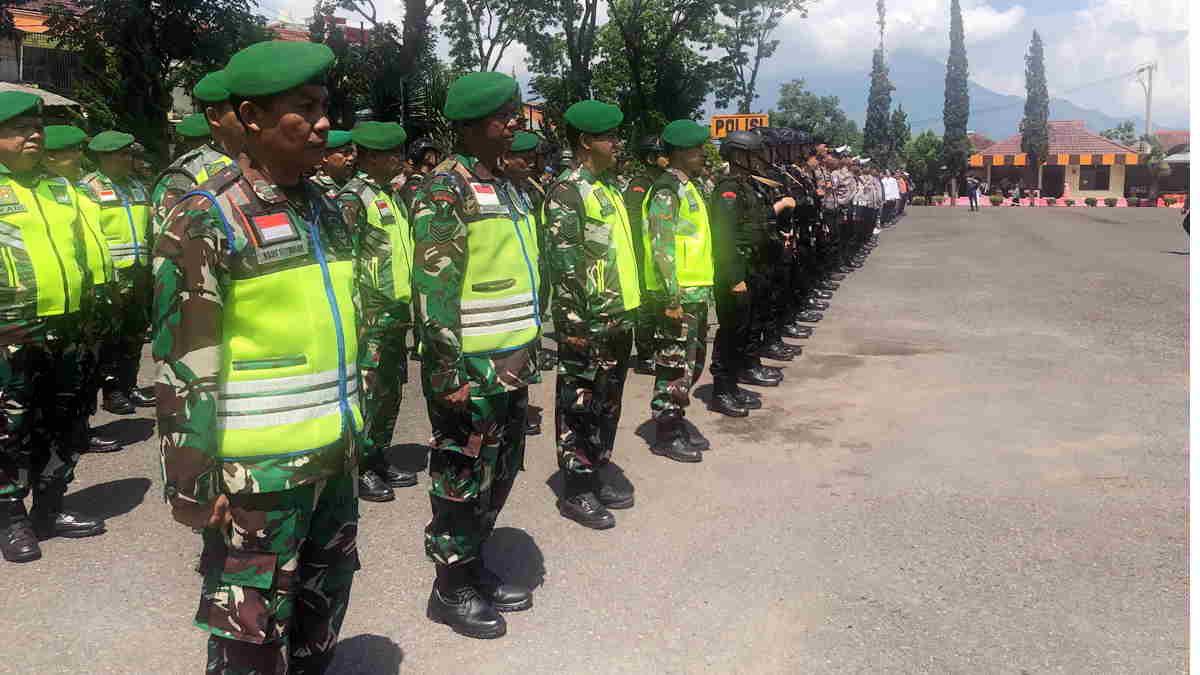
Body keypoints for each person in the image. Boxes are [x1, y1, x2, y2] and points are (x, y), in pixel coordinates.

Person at [154, 40, 367, 672]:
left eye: (324, 105)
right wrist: (191, 476)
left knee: (322, 606)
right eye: (305, 107)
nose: (324, 121)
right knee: (249, 624)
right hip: (257, 473)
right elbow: (184, 357)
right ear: (252, 117)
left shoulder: (329, 208)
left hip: (334, 453)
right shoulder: (206, 214)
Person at [411, 71, 537, 639]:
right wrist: (446, 369)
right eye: (502, 116)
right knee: (462, 474)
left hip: (510, 361)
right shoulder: (446, 189)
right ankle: (450, 585)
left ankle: (473, 561)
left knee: (500, 469)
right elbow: (433, 287)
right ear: (469, 126)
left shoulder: (507, 185)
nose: (513, 124)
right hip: (470, 367)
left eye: (514, 114)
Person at [0, 91, 109, 563]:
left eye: (36, 127)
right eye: (19, 129)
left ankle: (50, 508)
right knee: (9, 429)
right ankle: (10, 518)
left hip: (69, 326)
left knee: (65, 421)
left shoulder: (60, 187)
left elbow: (82, 251)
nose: (33, 136)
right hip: (11, 332)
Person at [542, 100, 641, 530]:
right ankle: (577, 487)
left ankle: (597, 466)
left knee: (608, 402)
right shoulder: (568, 191)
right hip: (588, 322)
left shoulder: (605, 187)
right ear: (585, 142)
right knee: (580, 403)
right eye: (609, 137)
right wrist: (573, 326)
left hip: (617, 317)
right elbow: (564, 265)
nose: (617, 144)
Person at [338, 121, 419, 501]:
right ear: (369, 157)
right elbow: (344, 262)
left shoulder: (388, 195)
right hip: (370, 318)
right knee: (368, 394)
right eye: (392, 155)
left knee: (389, 392)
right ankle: (361, 468)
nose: (400, 160)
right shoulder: (353, 199)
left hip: (394, 313)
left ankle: (378, 455)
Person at [42, 125, 123, 454]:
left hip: (98, 287)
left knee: (89, 366)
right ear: (50, 158)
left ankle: (81, 431)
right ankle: (59, 439)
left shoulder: (84, 190)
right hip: (72, 292)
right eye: (69, 153)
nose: (78, 157)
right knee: (64, 375)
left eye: (78, 151)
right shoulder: (47, 192)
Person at [642, 119, 715, 463]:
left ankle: (677, 419)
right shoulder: (667, 189)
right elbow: (662, 246)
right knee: (673, 366)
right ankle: (665, 433)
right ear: (679, 153)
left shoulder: (690, 186)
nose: (702, 154)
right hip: (677, 296)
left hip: (695, 292)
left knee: (691, 364)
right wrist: (671, 296)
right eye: (696, 149)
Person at [709, 130, 796, 418]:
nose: (760, 160)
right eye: (754, 155)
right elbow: (725, 239)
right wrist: (735, 278)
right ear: (738, 157)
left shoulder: (746, 186)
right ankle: (722, 389)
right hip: (736, 272)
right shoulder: (727, 191)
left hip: (752, 267)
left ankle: (733, 383)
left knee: (744, 330)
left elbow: (756, 225)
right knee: (731, 331)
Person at [79, 130, 156, 416]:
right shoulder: (88, 188)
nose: (127, 160)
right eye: (121, 155)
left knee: (135, 333)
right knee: (109, 337)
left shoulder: (137, 186)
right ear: (104, 158)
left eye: (128, 154)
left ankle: (129, 385)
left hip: (139, 271)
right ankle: (111, 393)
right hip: (112, 276)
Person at [151, 69, 243, 239]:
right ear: (214, 117)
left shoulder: (272, 160)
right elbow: (169, 238)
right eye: (241, 109)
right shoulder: (186, 172)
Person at [622, 135, 668, 375]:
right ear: (651, 157)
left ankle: (657, 348)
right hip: (643, 255)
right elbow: (633, 221)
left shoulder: (663, 180)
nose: (667, 158)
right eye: (663, 153)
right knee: (645, 307)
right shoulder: (640, 183)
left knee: (659, 303)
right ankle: (645, 355)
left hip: (659, 253)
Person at [312, 129, 356, 198]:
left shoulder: (358, 182)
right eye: (345, 153)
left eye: (351, 152)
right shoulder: (314, 187)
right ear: (325, 156)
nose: (351, 158)